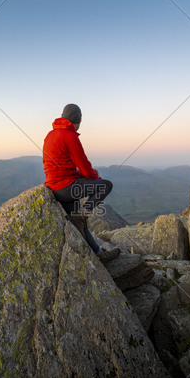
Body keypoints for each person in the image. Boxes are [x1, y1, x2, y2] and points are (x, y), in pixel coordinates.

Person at [43, 103, 120, 263]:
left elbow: (65, 166)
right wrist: (95, 177)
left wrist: (82, 175)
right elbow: (84, 166)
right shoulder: (70, 136)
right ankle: (80, 217)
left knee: (79, 223)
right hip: (66, 187)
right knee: (105, 185)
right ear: (77, 121)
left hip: (56, 187)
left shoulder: (51, 135)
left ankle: (99, 254)